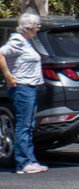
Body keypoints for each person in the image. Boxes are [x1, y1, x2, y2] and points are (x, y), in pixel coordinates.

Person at [2, 11, 46, 174]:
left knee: (29, 124)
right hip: (22, 86)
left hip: (31, 86)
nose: (37, 31)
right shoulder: (17, 41)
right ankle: (23, 162)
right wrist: (8, 75)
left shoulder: (27, 42)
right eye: (35, 28)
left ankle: (30, 159)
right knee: (23, 124)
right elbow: (1, 53)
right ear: (28, 28)